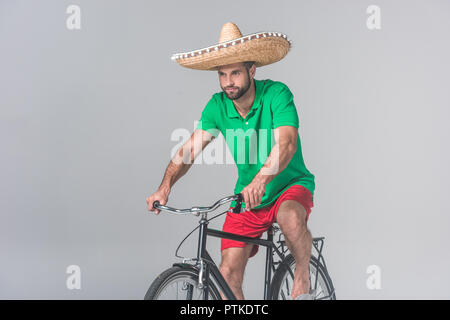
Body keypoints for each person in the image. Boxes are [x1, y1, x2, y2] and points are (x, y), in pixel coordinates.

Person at [146, 22, 316, 300]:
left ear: (252, 70)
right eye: (222, 74)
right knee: (227, 275)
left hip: (289, 185)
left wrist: (261, 180)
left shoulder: (276, 94)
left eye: (235, 72)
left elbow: (286, 144)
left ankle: (302, 274)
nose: (228, 82)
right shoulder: (217, 106)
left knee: (291, 217)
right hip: (248, 196)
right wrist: (165, 187)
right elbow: (187, 152)